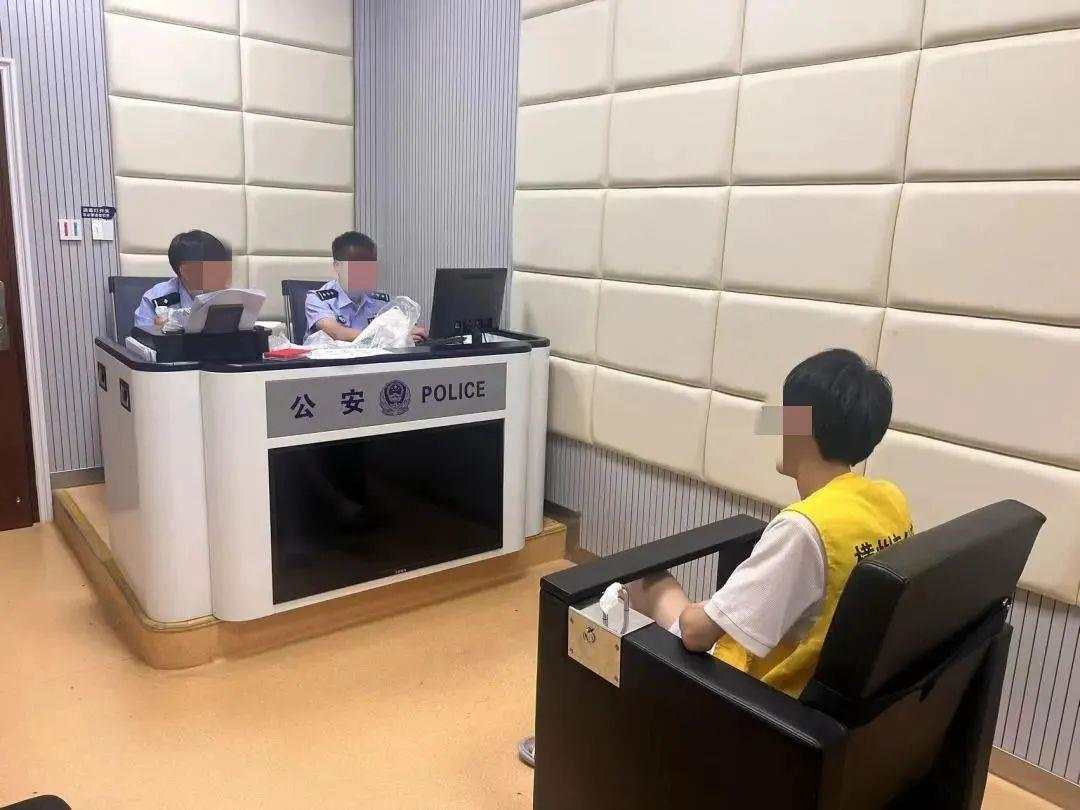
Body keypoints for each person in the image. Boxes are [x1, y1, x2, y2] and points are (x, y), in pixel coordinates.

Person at [518, 348, 913, 768]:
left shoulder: (803, 529)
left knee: (638, 589)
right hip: (829, 701)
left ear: (805, 427)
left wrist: (703, 609)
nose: (777, 424)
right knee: (668, 594)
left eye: (785, 415)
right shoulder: (889, 501)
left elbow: (695, 635)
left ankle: (569, 748)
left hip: (764, 703)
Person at [305, 230, 427, 342]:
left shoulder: (380, 301)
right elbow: (337, 333)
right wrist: (392, 336)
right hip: (331, 358)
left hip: (371, 359)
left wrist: (411, 331)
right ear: (337, 266)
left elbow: (405, 327)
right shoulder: (318, 300)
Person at [133, 230, 233, 329]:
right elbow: (141, 337)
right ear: (186, 271)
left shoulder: (231, 297)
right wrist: (157, 332)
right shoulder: (155, 299)